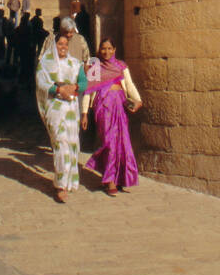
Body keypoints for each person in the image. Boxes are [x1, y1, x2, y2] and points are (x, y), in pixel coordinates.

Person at [81, 37, 142, 196]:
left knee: (122, 142)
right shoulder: (95, 68)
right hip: (103, 108)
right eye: (103, 49)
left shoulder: (121, 66)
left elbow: (129, 85)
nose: (106, 52)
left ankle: (122, 178)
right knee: (109, 142)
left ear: (114, 50)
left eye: (109, 48)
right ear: (99, 51)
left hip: (119, 106)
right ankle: (110, 181)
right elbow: (88, 91)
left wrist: (138, 101)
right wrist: (84, 113)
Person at [36, 32, 88, 203]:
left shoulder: (75, 63)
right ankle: (60, 185)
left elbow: (83, 82)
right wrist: (58, 90)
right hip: (55, 109)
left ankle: (68, 181)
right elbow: (41, 82)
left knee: (72, 145)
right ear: (54, 45)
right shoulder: (45, 63)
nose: (63, 47)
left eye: (66, 44)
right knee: (60, 143)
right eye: (60, 44)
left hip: (71, 110)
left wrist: (73, 87)